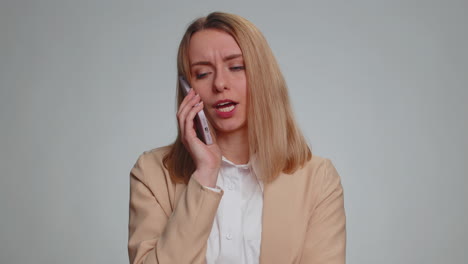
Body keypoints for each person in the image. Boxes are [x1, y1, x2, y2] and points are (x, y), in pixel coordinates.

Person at [128, 12, 346, 264]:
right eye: (202, 74)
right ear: (188, 89)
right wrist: (205, 177)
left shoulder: (318, 179)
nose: (220, 83)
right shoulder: (152, 173)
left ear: (263, 77)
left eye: (236, 67)